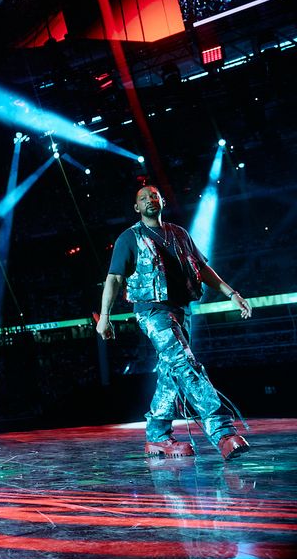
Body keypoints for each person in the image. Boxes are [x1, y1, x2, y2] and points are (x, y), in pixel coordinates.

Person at [96, 186, 252, 460]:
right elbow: (114, 279)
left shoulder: (179, 233)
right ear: (136, 208)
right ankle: (223, 432)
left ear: (162, 201)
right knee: (185, 364)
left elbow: (202, 269)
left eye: (153, 196)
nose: (149, 200)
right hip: (152, 311)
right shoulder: (129, 238)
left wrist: (232, 293)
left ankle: (157, 436)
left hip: (181, 310)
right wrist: (105, 316)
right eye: (143, 198)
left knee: (171, 373)